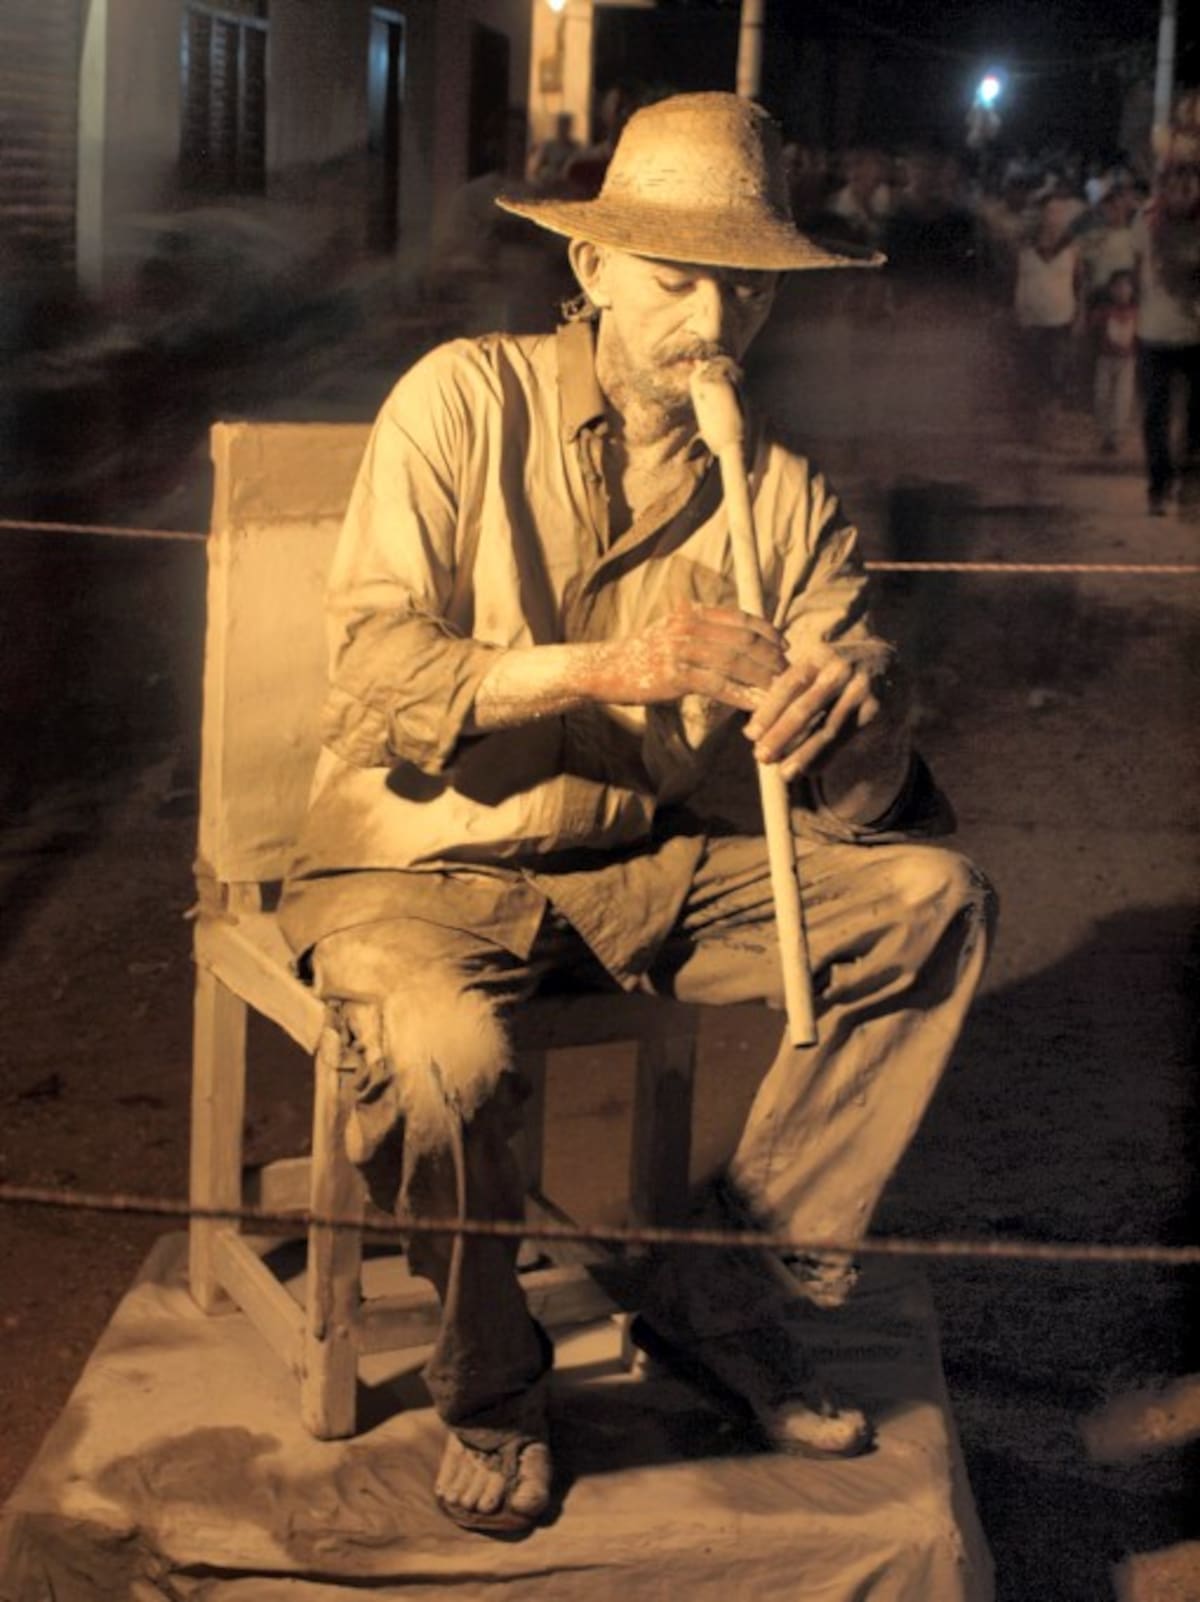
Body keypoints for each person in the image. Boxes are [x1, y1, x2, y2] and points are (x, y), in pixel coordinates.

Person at [280, 93, 995, 1538]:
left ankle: (719, 1267)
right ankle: (492, 1386)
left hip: (634, 864)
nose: (713, 318)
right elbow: (366, 675)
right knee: (447, 1054)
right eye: (677, 278)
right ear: (594, 270)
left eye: (744, 286)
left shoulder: (782, 499)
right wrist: (606, 667)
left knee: (934, 902)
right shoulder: (463, 400)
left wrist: (865, 699)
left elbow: (859, 806)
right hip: (416, 862)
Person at [1130, 129, 1200, 514]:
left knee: (1194, 418)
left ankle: (1187, 478)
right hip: (1155, 334)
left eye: (1190, 178)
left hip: (1194, 334)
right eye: (1176, 178)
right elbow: (1140, 267)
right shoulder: (1147, 220)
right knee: (1154, 417)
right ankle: (1158, 486)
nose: (1183, 186)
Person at [1089, 268, 1138, 454]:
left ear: (1132, 290)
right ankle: (1104, 434)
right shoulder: (1104, 311)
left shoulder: (1137, 312)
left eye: (1126, 287)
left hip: (1127, 362)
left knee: (1122, 399)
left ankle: (1115, 437)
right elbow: (1091, 328)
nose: (1122, 291)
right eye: (1117, 287)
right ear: (1110, 290)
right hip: (1105, 360)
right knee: (1102, 397)